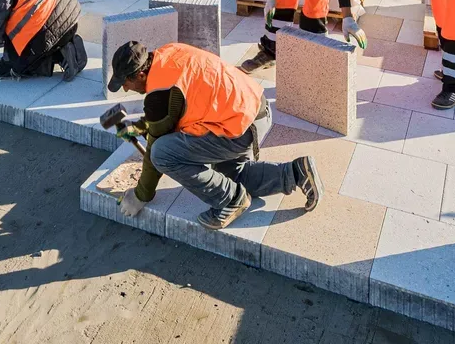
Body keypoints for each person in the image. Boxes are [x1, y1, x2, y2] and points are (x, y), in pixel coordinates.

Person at [109, 40, 321, 230]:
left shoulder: (159, 93)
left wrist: (140, 195)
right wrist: (140, 127)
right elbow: (174, 110)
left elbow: (157, 148)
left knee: (162, 153)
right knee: (230, 176)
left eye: (126, 83)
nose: (126, 89)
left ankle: (231, 200)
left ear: (140, 74)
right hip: (254, 109)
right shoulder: (169, 51)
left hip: (238, 130)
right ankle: (296, 172)